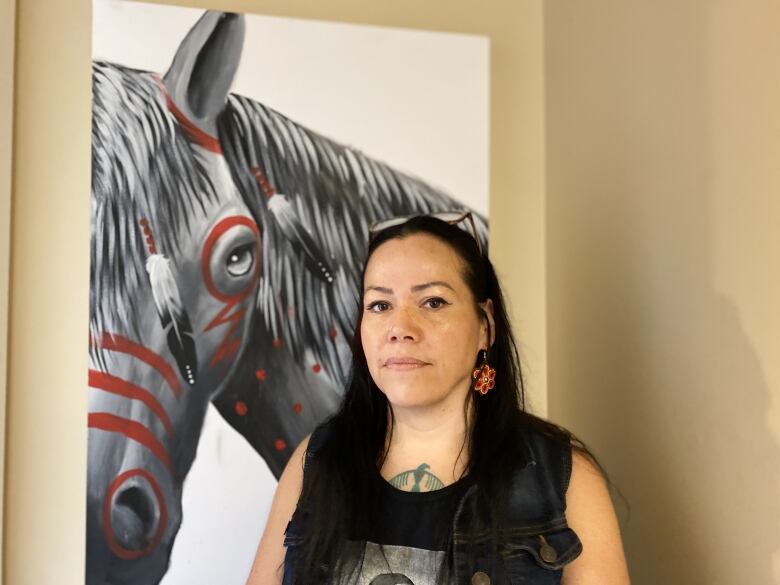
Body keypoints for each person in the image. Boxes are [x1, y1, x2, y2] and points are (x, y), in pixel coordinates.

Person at [247, 213, 630, 584]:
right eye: (380, 305)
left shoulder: (563, 477)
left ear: (486, 326)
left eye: (432, 302)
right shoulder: (315, 460)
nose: (400, 328)